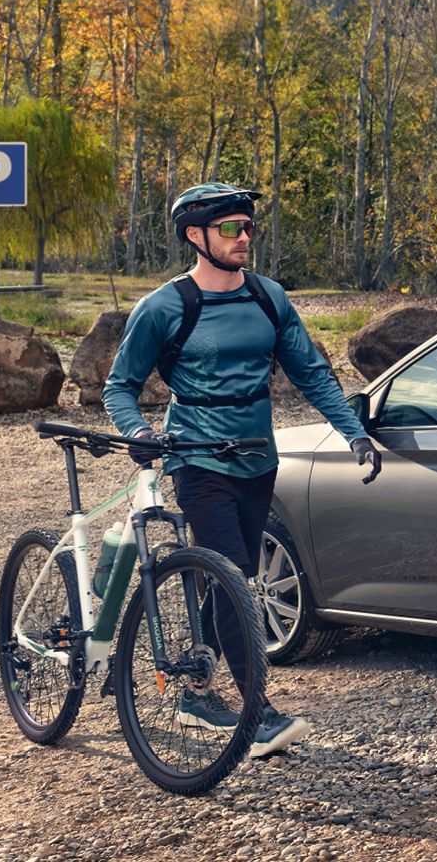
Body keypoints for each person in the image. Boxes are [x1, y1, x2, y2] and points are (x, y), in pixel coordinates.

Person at [104, 182, 382, 759]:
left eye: (249, 227)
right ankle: (256, 713)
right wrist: (138, 432)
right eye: (231, 228)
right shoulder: (165, 307)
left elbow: (311, 373)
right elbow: (120, 387)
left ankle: (197, 694)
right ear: (195, 236)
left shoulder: (268, 297)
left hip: (258, 458)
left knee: (234, 579)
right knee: (233, 577)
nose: (244, 237)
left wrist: (354, 432)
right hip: (196, 458)